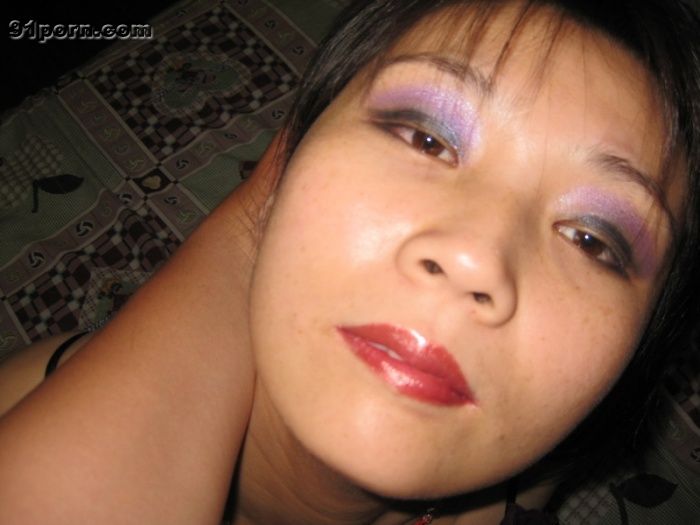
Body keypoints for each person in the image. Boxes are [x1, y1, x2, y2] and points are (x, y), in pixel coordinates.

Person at [1, 0, 699, 523]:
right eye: (425, 137)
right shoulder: (28, 422)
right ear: (286, 161)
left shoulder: (530, 474)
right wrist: (245, 224)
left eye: (592, 240)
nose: (476, 257)